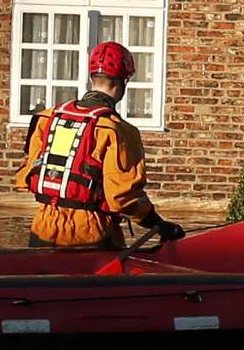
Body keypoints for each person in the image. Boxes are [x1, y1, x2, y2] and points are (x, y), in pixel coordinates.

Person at [21, 39, 181, 250]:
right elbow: (121, 198)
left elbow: (27, 175)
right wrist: (159, 225)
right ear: (124, 80)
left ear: (91, 77)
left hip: (43, 227)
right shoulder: (118, 130)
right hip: (90, 234)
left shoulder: (47, 118)